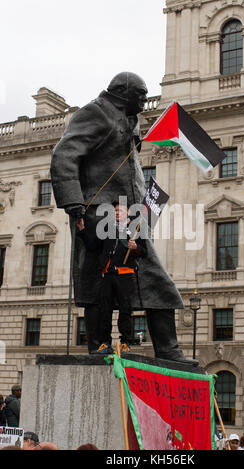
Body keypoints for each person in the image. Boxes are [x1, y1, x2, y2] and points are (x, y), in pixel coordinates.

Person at [51, 71, 197, 365]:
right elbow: (63, 155)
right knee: (98, 281)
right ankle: (99, 345)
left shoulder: (131, 119)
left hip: (129, 214)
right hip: (97, 212)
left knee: (155, 278)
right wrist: (74, 205)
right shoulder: (96, 113)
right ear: (122, 92)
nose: (145, 101)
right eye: (140, 95)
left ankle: (167, 349)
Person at [77, 201, 147, 354]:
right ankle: (105, 343)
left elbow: (145, 252)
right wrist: (82, 229)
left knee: (125, 310)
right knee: (105, 310)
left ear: (127, 212)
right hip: (107, 274)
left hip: (125, 274)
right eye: (115, 211)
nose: (116, 213)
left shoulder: (136, 229)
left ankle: (126, 342)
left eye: (120, 211)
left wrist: (136, 248)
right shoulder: (107, 229)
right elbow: (93, 247)